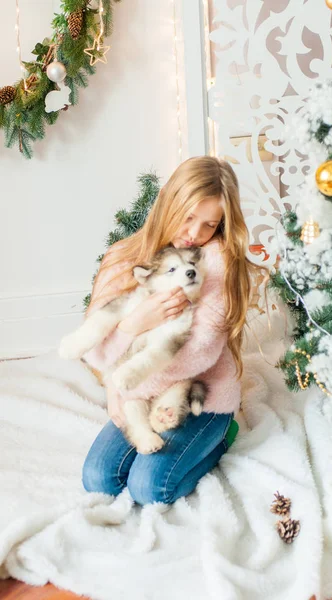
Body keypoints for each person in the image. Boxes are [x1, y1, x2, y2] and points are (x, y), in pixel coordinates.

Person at [81, 156, 264, 506]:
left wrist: (127, 385)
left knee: (151, 488)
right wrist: (134, 325)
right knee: (98, 479)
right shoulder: (125, 257)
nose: (195, 235)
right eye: (189, 217)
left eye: (210, 225)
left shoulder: (213, 260)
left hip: (200, 394)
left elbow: (201, 352)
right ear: (169, 203)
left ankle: (223, 435)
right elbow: (98, 353)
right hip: (139, 391)